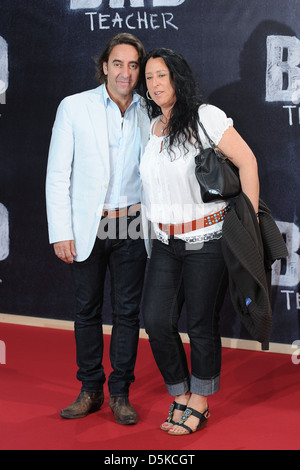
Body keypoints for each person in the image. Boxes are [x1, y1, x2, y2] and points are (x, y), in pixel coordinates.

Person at [139, 48, 259, 435]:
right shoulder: (153, 127)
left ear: (177, 77)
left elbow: (247, 162)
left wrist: (249, 221)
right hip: (164, 243)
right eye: (149, 78)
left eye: (162, 75)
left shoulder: (205, 117)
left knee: (201, 325)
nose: (155, 84)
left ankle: (201, 400)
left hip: (205, 240)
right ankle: (180, 391)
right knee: (156, 320)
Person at [45, 33, 149, 425]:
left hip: (134, 226)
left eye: (133, 65)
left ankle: (120, 393)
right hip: (88, 225)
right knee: (86, 310)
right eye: (118, 64)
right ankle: (90, 389)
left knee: (127, 313)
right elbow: (58, 175)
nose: (126, 72)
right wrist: (61, 231)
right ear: (105, 66)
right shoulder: (74, 107)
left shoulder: (150, 111)